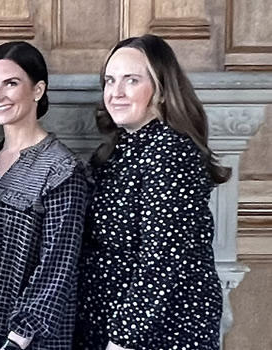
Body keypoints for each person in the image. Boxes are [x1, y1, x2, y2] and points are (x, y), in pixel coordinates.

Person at [73, 34, 231, 350]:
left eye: (131, 81)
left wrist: (122, 340)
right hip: (108, 321)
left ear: (160, 90)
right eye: (109, 81)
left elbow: (162, 260)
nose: (115, 93)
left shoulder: (171, 152)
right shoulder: (115, 152)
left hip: (161, 330)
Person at [0, 42, 89, 350]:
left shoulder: (62, 167)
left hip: (31, 335)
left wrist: (20, 335)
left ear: (38, 89)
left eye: (10, 83)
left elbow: (60, 263)